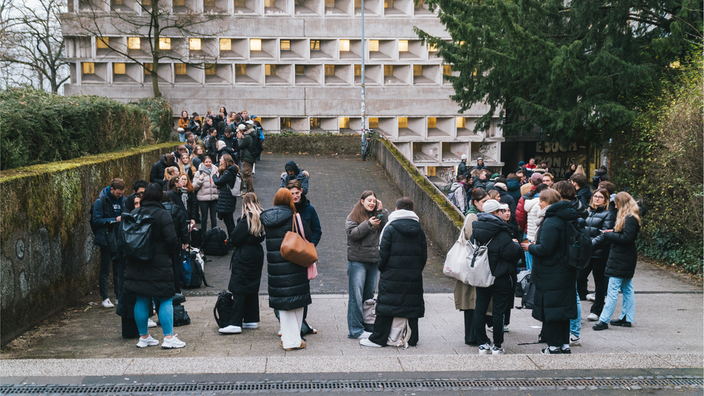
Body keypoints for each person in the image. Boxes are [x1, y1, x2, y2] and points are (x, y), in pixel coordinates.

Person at [123, 184, 185, 349]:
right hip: (159, 263)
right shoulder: (163, 214)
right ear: (159, 196)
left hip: (136, 262)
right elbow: (172, 240)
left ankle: (144, 337)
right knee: (165, 298)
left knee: (141, 298)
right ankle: (169, 337)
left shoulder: (135, 213)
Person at [361, 198, 427, 348]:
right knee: (411, 306)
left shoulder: (390, 228)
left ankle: (378, 338)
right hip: (413, 275)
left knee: (386, 306)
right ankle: (412, 338)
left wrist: (383, 269)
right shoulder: (419, 229)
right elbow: (424, 255)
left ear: (397, 209)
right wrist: (416, 270)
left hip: (391, 274)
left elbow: (383, 253)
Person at [521, 189, 579, 354]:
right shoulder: (568, 217)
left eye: (541, 200)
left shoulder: (551, 221)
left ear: (548, 202)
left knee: (552, 308)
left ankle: (553, 346)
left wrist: (530, 247)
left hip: (551, 272)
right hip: (567, 269)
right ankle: (564, 344)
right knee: (564, 309)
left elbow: (546, 249)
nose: (539, 203)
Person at [261, 189, 311, 351]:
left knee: (284, 306)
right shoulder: (295, 217)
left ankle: (291, 339)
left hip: (277, 269)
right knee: (297, 303)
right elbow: (307, 236)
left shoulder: (267, 219)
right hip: (295, 265)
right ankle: (293, 341)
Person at [471, 200, 523, 355]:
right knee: (498, 311)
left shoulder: (477, 228)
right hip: (500, 275)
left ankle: (482, 344)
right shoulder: (502, 230)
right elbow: (509, 254)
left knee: (480, 308)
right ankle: (497, 345)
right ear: (495, 213)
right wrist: (516, 246)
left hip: (482, 274)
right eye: (501, 211)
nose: (504, 213)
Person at [593, 192, 641, 331]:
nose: (615, 205)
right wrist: (613, 231)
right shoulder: (631, 217)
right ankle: (627, 317)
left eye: (617, 202)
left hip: (621, 257)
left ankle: (603, 320)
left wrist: (609, 235)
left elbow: (627, 239)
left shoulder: (629, 218)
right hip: (625, 257)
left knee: (613, 289)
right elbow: (626, 235)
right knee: (627, 287)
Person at [219, 193, 266, 334]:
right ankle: (251, 319)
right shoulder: (261, 217)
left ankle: (235, 322)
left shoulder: (246, 219)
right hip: (257, 254)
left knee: (239, 287)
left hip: (244, 255)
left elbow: (234, 238)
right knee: (252, 286)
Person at [345, 190, 389, 339]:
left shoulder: (377, 215)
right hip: (357, 262)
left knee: (368, 296)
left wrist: (382, 211)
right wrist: (368, 224)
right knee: (356, 297)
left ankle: (366, 325)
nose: (371, 203)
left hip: (373, 262)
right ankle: (355, 330)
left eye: (374, 201)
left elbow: (387, 227)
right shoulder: (353, 216)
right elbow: (353, 235)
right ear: (362, 201)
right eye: (369, 200)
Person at [454, 189, 490, 345]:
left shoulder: (479, 215)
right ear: (475, 202)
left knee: (474, 302)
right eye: (484, 202)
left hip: (475, 265)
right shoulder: (472, 216)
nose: (486, 205)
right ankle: (472, 336)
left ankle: (474, 335)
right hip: (472, 265)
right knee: (472, 302)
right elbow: (472, 237)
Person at [287, 180, 321, 336]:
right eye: (292, 193)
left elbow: (317, 230)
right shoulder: (285, 209)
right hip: (288, 254)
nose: (295, 196)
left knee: (303, 290)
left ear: (301, 192)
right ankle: (288, 324)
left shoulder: (309, 209)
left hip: (304, 255)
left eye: (297, 193)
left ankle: (301, 322)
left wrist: (310, 247)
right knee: (288, 289)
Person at [581, 188, 615, 322]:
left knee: (599, 282)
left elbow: (604, 235)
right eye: (595, 196)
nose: (596, 199)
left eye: (600, 197)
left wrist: (589, 246)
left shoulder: (609, 214)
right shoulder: (587, 212)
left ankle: (596, 310)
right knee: (579, 278)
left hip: (599, 253)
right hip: (586, 252)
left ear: (605, 200)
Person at [92, 178, 126, 308]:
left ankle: (118, 296)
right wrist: (113, 219)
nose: (120, 195)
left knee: (118, 269)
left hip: (118, 237)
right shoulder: (101, 202)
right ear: (112, 190)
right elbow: (96, 220)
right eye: (118, 193)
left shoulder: (123, 200)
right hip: (106, 238)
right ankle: (105, 297)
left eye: (122, 193)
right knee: (105, 269)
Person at [161, 179, 190, 294]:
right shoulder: (176, 209)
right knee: (175, 265)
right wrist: (185, 241)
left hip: (162, 242)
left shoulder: (159, 210)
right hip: (176, 240)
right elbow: (183, 228)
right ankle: (177, 289)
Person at [212, 154, 240, 239]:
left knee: (228, 221)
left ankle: (232, 240)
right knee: (229, 220)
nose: (220, 160)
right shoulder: (232, 170)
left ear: (225, 160)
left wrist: (214, 176)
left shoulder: (229, 172)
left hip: (226, 198)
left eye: (221, 159)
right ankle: (233, 239)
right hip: (229, 198)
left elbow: (218, 182)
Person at [523, 184, 550, 271]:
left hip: (530, 235)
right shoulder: (541, 204)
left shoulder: (531, 202)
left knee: (530, 266)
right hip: (536, 238)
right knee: (535, 267)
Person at [192, 156, 219, 231]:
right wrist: (200, 180)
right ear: (203, 163)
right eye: (206, 162)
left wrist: (218, 178)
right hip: (203, 199)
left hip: (213, 198)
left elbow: (219, 185)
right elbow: (193, 187)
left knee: (214, 218)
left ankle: (214, 234)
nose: (208, 163)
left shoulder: (216, 172)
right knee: (204, 218)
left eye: (209, 162)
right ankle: (204, 235)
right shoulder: (199, 173)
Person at [237, 124, 258, 193]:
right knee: (248, 174)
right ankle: (249, 190)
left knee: (247, 175)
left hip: (247, 158)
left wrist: (240, 138)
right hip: (249, 157)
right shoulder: (249, 135)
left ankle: (250, 191)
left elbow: (240, 145)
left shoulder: (247, 137)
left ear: (242, 130)